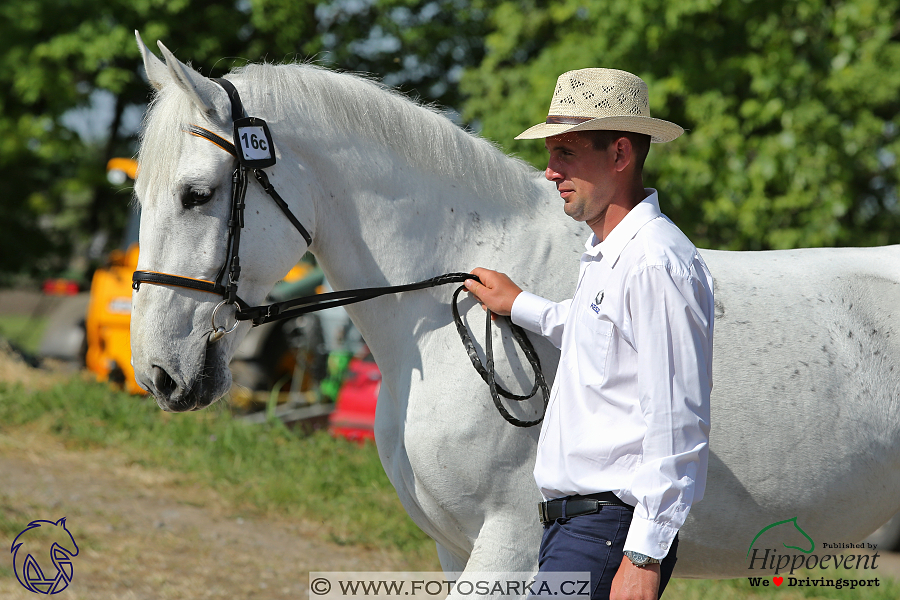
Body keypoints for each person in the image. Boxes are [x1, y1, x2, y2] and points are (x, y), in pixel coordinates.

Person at [464, 68, 714, 600]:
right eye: (551, 153)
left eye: (567, 153)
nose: (550, 172)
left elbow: (679, 421)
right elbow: (598, 334)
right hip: (581, 529)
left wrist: (644, 556)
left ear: (620, 154)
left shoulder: (653, 262)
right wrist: (521, 304)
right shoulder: (611, 252)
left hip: (607, 534)